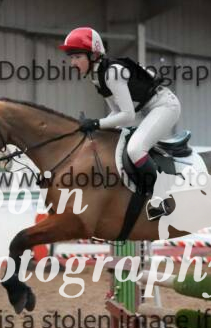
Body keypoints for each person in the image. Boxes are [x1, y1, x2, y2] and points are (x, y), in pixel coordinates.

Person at [59, 26, 181, 219]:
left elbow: (127, 115)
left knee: (135, 149)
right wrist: (94, 129)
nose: (73, 63)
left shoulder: (112, 73)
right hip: (145, 109)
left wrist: (96, 123)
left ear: (93, 56)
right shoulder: (96, 75)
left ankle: (163, 199)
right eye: (71, 57)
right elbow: (116, 112)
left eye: (77, 57)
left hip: (164, 106)